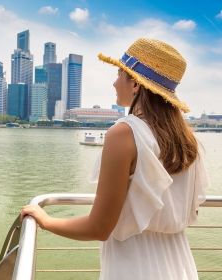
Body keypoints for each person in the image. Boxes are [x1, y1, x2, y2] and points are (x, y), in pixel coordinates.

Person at [21, 38, 208, 279]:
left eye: (120, 73)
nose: (114, 81)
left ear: (136, 85)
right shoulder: (187, 139)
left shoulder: (125, 133)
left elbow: (99, 227)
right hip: (180, 265)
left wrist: (45, 220)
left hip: (134, 268)